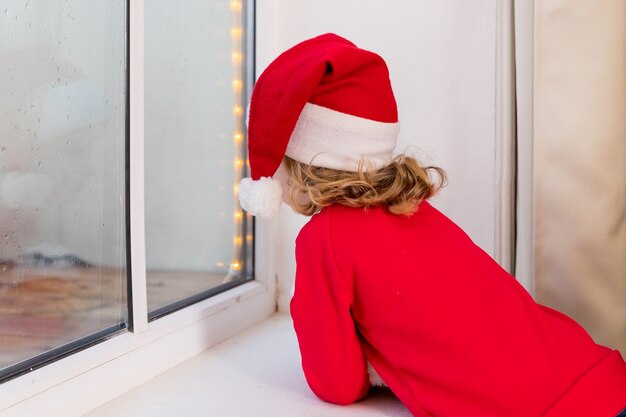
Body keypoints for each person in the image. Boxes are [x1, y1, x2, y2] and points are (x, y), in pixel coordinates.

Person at [238, 33, 626, 417]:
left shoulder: (322, 239)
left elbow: (335, 384)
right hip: (593, 374)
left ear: (302, 168)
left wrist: (371, 363)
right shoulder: (416, 210)